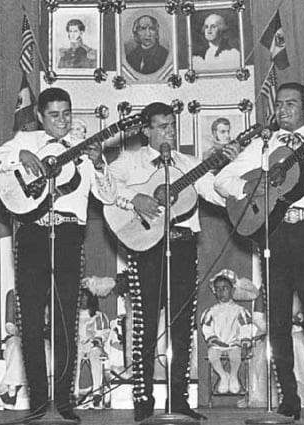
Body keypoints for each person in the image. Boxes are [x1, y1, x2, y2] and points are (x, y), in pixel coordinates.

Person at [214, 82, 304, 420]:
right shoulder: (264, 144)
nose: (282, 110)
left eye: (291, 104)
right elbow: (223, 179)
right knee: (278, 322)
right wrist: (253, 186)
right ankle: (288, 401)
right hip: (275, 234)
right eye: (279, 104)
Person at [0, 87, 116, 422]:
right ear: (40, 115)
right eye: (54, 115)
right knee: (31, 323)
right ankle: (38, 402)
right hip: (32, 232)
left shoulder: (83, 148)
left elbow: (109, 197)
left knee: (66, 320)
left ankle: (64, 401)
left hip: (69, 234)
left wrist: (98, 164)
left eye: (66, 113)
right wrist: (18, 158)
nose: (62, 121)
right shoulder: (26, 140)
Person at [107, 102, 238, 421]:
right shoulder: (129, 162)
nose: (168, 131)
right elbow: (106, 188)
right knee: (145, 324)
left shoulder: (189, 163)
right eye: (162, 126)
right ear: (146, 130)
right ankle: (142, 399)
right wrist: (134, 198)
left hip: (182, 247)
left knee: (182, 325)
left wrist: (226, 169)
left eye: (172, 125)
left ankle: (178, 398)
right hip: (146, 247)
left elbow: (218, 195)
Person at [200, 269, 253, 395]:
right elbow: (207, 328)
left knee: (235, 354)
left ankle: (233, 375)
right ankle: (223, 376)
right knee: (212, 354)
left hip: (234, 343)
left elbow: (245, 327)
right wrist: (214, 340)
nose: (221, 292)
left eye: (225, 288)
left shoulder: (239, 311)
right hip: (218, 343)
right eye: (218, 289)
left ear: (232, 290)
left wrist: (245, 342)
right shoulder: (211, 312)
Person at [74, 287, 110, 409]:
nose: (82, 300)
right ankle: (74, 393)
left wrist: (94, 342)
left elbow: (103, 333)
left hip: (93, 345)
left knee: (95, 354)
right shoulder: (73, 316)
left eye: (85, 297)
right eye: (80, 297)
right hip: (77, 345)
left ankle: (97, 392)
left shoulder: (99, 316)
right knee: (75, 356)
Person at [0, 288, 27, 410]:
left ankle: (7, 391)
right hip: (17, 336)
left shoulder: (47, 294)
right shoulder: (13, 294)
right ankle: (13, 388)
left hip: (39, 339)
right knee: (16, 347)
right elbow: (9, 324)